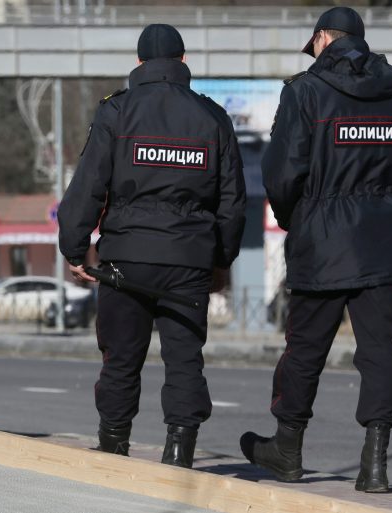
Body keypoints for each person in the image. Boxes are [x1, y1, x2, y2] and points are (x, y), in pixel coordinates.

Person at [240, 6, 392, 493]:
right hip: (383, 238)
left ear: (322, 38)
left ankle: (287, 449)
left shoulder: (304, 91)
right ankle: (376, 463)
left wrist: (293, 217)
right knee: (380, 351)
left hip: (323, 237)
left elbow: (281, 172)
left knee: (304, 349)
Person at [58, 24, 246, 468]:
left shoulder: (116, 112)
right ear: (183, 62)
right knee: (184, 358)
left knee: (121, 357)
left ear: (139, 63)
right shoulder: (213, 116)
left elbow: (88, 185)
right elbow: (233, 199)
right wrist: (221, 259)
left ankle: (113, 446)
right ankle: (179, 453)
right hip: (189, 260)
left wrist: (73, 247)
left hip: (127, 258)